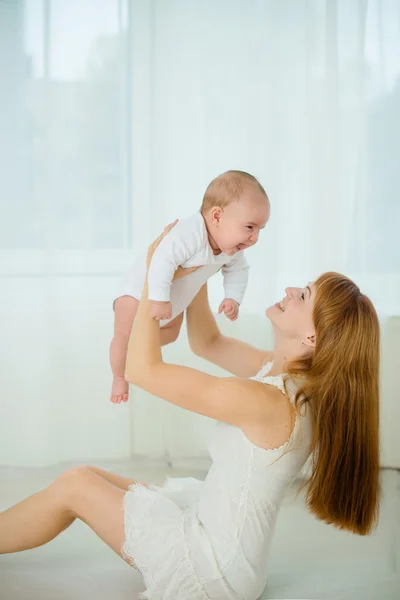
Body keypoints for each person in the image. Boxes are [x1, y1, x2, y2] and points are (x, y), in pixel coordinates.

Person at [0, 223, 380, 600]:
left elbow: (141, 370)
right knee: (88, 475)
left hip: (213, 569)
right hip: (222, 543)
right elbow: (208, 342)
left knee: (75, 486)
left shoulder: (268, 403)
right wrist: (203, 261)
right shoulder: (292, 381)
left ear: (312, 337)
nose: (289, 291)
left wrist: (157, 273)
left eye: (303, 295)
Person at [110, 169, 270, 403]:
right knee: (124, 338)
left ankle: (138, 344)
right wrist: (159, 299)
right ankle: (118, 378)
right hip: (136, 294)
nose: (254, 238)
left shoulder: (231, 248)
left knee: (172, 334)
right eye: (249, 227)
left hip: (172, 303)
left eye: (259, 230)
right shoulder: (190, 233)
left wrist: (232, 298)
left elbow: (238, 271)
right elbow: (160, 260)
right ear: (216, 217)